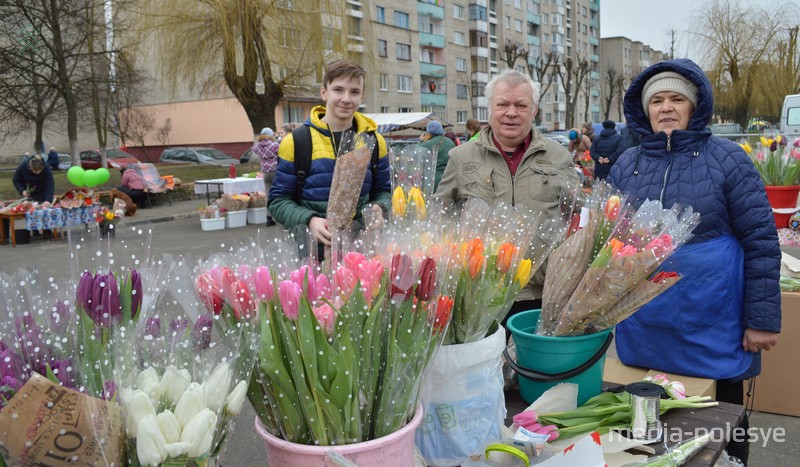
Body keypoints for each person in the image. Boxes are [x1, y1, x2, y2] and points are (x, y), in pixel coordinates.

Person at [608, 58, 781, 466]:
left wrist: (762, 319)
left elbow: (760, 240)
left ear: (694, 106)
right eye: (658, 101)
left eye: (676, 99)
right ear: (644, 110)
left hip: (715, 319)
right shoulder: (626, 164)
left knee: (722, 418)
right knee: (649, 420)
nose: (666, 107)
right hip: (646, 322)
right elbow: (608, 243)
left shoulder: (728, 159)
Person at [435, 69, 579, 319]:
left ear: (534, 110)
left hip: (541, 293)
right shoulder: (460, 157)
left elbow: (577, 221)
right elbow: (440, 219)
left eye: (521, 105)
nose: (511, 113)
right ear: (490, 107)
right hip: (477, 293)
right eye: (503, 104)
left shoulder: (559, 157)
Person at [268, 59, 391, 255]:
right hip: (311, 254)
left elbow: (383, 191)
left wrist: (380, 207)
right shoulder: (297, 142)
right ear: (324, 92)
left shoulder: (375, 142)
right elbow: (278, 201)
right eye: (338, 90)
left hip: (361, 253)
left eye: (354, 92)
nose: (346, 98)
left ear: (362, 96)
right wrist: (309, 219)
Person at [253, 127, 279, 225]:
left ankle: (268, 217)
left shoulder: (258, 146)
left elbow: (254, 150)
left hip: (265, 172)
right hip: (275, 170)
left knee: (268, 195)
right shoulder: (274, 145)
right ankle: (278, 215)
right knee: (278, 193)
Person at [419, 120, 456, 190]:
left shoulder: (426, 144)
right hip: (449, 177)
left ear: (428, 132)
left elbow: (415, 152)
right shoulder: (450, 142)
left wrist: (421, 140)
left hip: (432, 178)